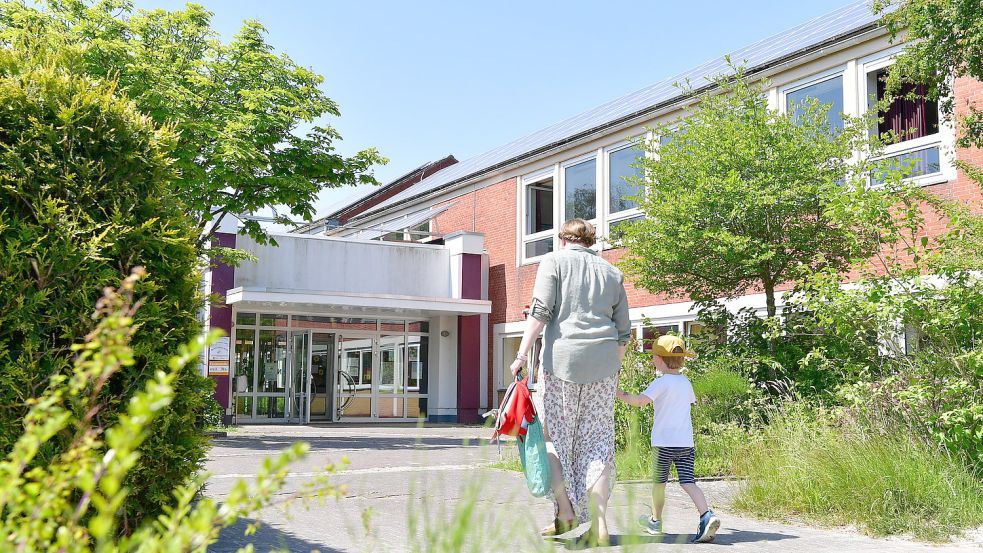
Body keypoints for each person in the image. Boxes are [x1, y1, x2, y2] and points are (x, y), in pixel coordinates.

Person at [509, 218, 631, 546]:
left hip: (561, 365)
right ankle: (600, 524)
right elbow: (623, 333)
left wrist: (521, 355)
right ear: (591, 241)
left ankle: (565, 512)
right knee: (598, 444)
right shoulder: (612, 272)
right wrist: (611, 371)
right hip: (604, 367)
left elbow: (540, 312)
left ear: (562, 239)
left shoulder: (553, 262)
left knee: (551, 441)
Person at [615, 334, 721, 543]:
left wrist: (618, 394)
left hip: (663, 444)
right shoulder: (685, 383)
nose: (652, 359)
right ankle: (706, 514)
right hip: (685, 443)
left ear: (661, 360)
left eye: (654, 356)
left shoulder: (661, 383)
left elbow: (640, 402)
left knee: (659, 484)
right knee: (688, 482)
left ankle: (655, 521)